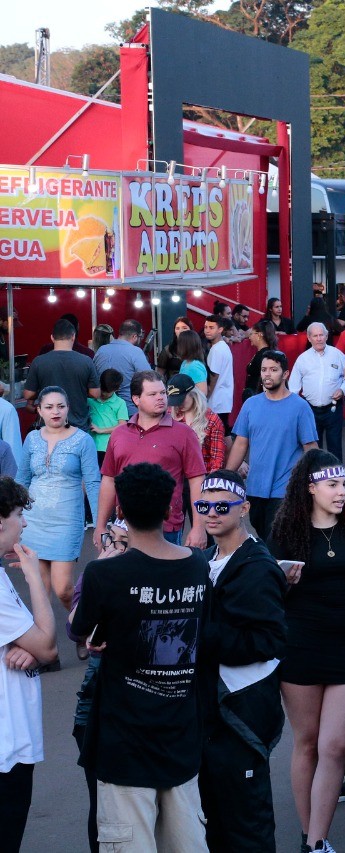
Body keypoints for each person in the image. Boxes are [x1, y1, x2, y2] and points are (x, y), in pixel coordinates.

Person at [70, 463, 213, 853]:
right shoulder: (197, 566)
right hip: (181, 734)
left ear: (122, 510)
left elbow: (79, 628)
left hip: (124, 739)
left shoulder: (105, 574)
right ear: (170, 509)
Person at [269, 451, 345, 853]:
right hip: (299, 645)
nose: (341, 492)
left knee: (335, 746)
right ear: (310, 487)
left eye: (344, 485)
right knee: (307, 741)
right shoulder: (285, 530)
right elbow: (270, 592)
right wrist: (282, 581)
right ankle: (307, 833)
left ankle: (318, 841)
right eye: (332, 485)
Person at [195, 469, 288, 852]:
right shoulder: (202, 561)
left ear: (244, 507)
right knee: (215, 823)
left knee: (247, 827)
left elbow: (268, 641)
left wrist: (198, 635)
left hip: (241, 714)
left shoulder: (258, 567)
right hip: (210, 717)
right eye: (203, 505)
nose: (211, 513)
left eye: (222, 505)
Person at [0, 477, 55, 853]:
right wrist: (35, 575)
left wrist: (32, 647)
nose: (24, 523)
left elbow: (36, 643)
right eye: (19, 514)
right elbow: (48, 643)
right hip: (7, 746)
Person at [95, 371, 208, 549]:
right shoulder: (119, 434)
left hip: (166, 526)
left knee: (164, 577)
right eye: (152, 394)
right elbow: (109, 480)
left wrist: (199, 527)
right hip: (124, 528)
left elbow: (197, 482)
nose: (161, 398)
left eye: (163, 393)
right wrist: (100, 526)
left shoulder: (184, 433)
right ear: (136, 399)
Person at [16, 386, 100, 612]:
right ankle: (45, 644)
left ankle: (84, 625)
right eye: (49, 407)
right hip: (33, 522)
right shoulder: (32, 438)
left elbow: (93, 482)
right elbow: (21, 479)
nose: (56, 411)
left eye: (61, 406)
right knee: (40, 590)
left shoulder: (83, 440)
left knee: (63, 588)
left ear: (68, 409)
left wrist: (101, 524)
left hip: (66, 521)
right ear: (40, 411)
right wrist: (10, 516)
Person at [225, 351, 320, 540]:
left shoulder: (300, 407)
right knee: (262, 531)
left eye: (273, 370)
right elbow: (240, 444)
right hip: (256, 488)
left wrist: (316, 484)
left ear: (285, 374)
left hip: (285, 488)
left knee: (276, 539)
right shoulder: (251, 405)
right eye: (264, 370)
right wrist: (226, 477)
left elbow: (311, 448)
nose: (267, 374)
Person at [23, 318, 100, 431]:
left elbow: (28, 395)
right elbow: (95, 393)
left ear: (52, 338)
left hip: (48, 425)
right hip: (78, 425)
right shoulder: (86, 361)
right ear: (73, 336)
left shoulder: (39, 362)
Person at [289, 323, 345, 456]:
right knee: (313, 448)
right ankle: (314, 476)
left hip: (333, 408)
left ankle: (336, 476)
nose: (319, 339)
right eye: (315, 336)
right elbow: (293, 386)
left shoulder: (338, 355)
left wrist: (342, 389)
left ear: (327, 336)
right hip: (310, 410)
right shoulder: (302, 359)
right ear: (309, 338)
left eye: (321, 335)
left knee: (335, 447)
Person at [92, 320, 152, 417]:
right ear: (135, 336)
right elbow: (149, 378)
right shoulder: (135, 352)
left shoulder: (101, 350)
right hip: (129, 410)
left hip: (103, 411)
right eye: (140, 337)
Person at [169, 377, 226, 474]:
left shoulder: (212, 419)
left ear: (193, 394)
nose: (178, 404)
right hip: (175, 475)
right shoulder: (169, 415)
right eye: (175, 401)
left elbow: (217, 459)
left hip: (202, 475)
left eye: (181, 399)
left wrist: (209, 485)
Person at [88, 368, 129, 463]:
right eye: (102, 390)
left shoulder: (120, 403)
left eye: (107, 392)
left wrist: (101, 430)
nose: (103, 394)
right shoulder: (90, 399)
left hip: (109, 446)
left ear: (117, 389)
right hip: (90, 445)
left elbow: (122, 425)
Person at [204, 316, 236, 428]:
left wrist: (205, 396)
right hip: (222, 399)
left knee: (219, 434)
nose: (207, 330)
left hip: (216, 401)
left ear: (220, 329)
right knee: (224, 432)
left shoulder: (217, 349)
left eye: (211, 327)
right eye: (206, 327)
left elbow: (214, 376)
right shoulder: (222, 347)